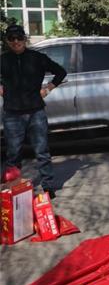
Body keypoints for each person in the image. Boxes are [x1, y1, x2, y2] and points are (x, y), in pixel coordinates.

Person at [0, 24, 66, 198]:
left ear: (25, 39)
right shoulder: (3, 60)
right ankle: (13, 188)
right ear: (7, 41)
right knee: (13, 154)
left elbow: (61, 72)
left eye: (19, 38)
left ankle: (48, 187)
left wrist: (48, 88)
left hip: (36, 112)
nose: (16, 41)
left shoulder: (37, 58)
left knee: (42, 151)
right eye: (12, 38)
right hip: (12, 114)